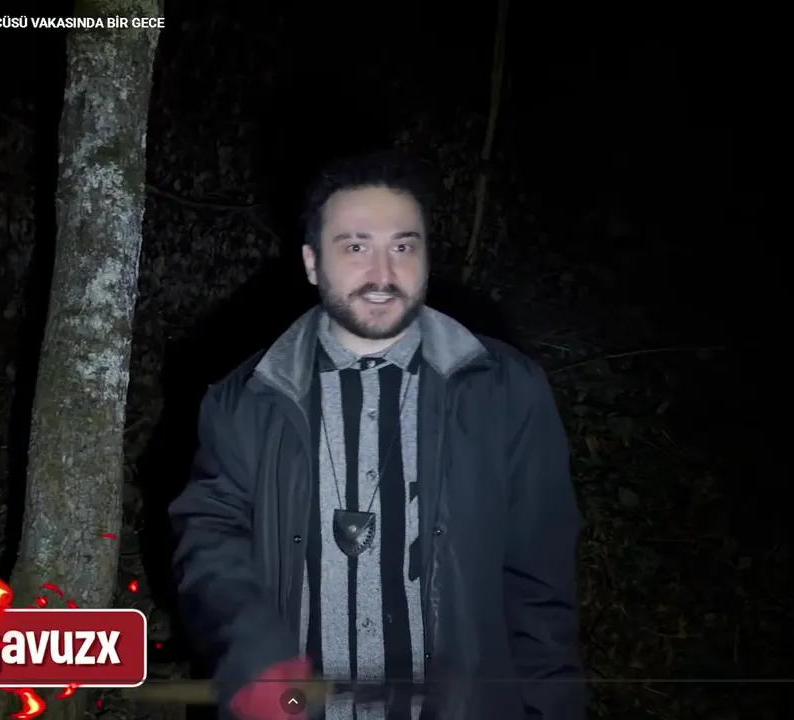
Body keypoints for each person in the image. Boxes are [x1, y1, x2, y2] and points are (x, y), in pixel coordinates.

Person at [169, 151, 585, 719]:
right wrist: (252, 649)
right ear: (313, 262)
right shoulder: (245, 399)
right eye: (356, 246)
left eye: (403, 247)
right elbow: (209, 537)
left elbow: (541, 588)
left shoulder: (506, 390)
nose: (384, 274)